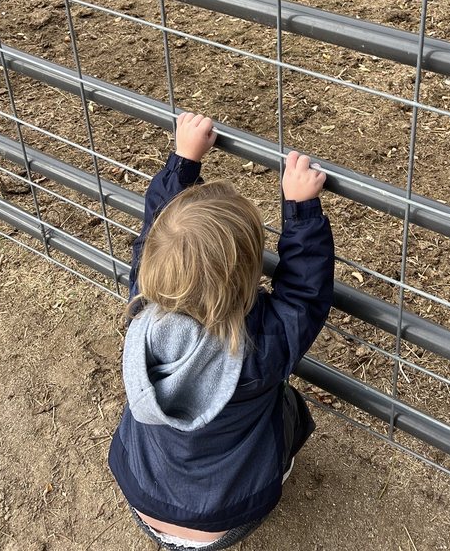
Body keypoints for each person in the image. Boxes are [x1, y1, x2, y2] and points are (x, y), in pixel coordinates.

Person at [109, 113, 335, 549]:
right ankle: (274, 468)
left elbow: (153, 233)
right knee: (286, 403)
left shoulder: (141, 309)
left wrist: (183, 161)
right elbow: (304, 295)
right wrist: (300, 209)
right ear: (248, 276)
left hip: (143, 495)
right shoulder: (259, 346)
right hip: (230, 518)